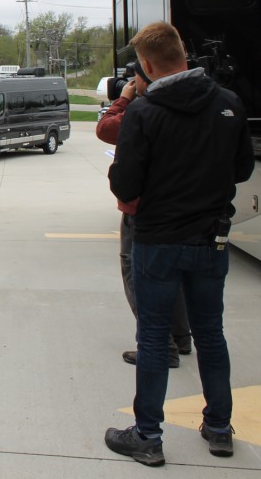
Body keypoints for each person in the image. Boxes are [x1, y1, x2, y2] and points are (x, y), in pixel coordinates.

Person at [104, 22, 254, 467]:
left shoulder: (144, 114)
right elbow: (242, 169)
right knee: (211, 334)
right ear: (183, 53)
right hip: (211, 238)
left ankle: (148, 435)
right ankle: (220, 427)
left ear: (146, 66)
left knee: (152, 337)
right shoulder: (228, 103)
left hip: (158, 240)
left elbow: (124, 183)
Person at [96, 77, 192, 369]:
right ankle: (180, 336)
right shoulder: (201, 103)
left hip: (142, 209)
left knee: (136, 275)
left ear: (147, 71)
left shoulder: (143, 110)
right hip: (182, 206)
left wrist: (123, 98)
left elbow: (105, 128)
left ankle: (162, 346)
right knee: (171, 273)